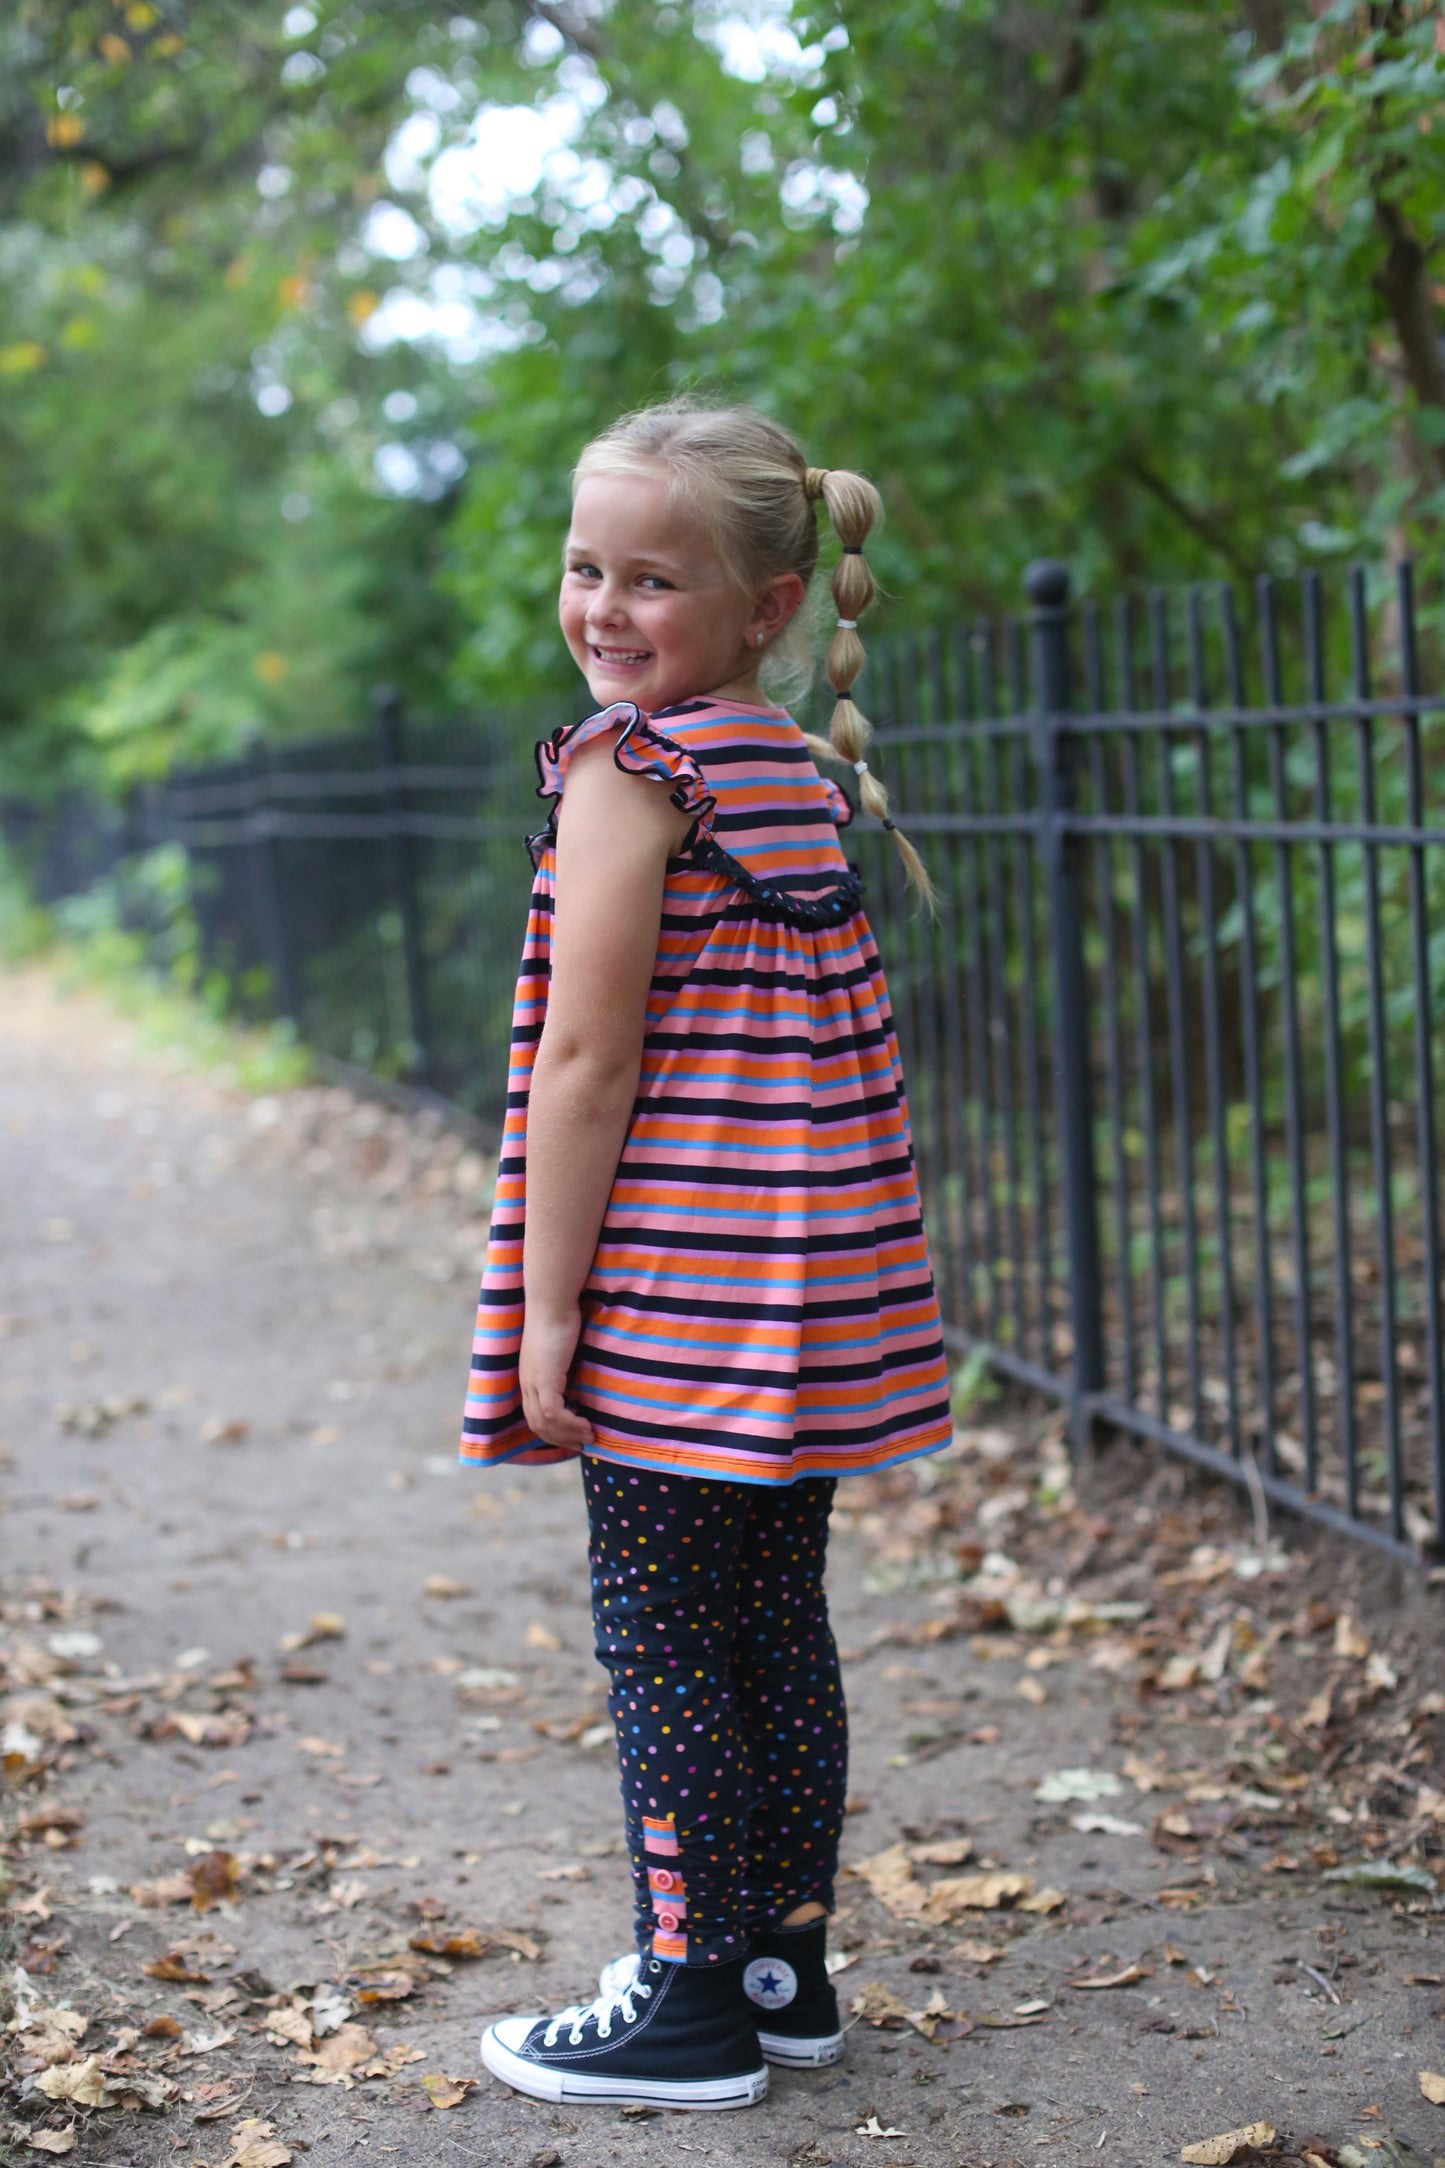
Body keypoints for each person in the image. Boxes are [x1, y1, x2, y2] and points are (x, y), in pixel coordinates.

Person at [460, 399, 953, 2113]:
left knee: (664, 1642)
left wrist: (547, 1308)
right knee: (769, 1629)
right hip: (806, 1296)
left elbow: (586, 1066)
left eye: (651, 579)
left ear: (768, 602)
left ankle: (683, 2005)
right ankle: (770, 1962)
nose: (603, 607)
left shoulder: (630, 770)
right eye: (586, 566)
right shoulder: (784, 766)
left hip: (678, 1293)